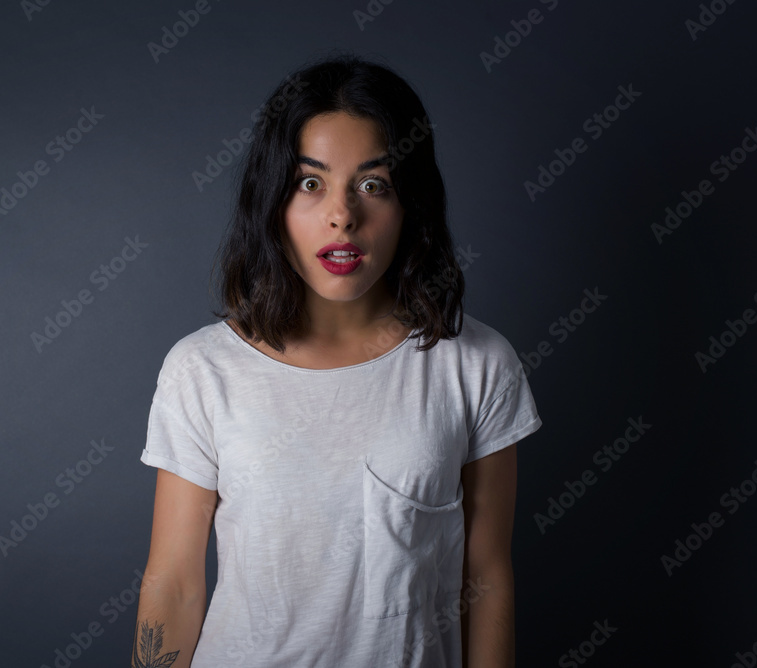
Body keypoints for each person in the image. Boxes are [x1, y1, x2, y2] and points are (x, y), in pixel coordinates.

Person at [133, 53, 542, 668]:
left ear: (410, 203)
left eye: (373, 185)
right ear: (272, 201)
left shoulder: (476, 366)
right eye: (310, 183)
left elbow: (485, 580)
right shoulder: (202, 371)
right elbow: (174, 583)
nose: (343, 215)